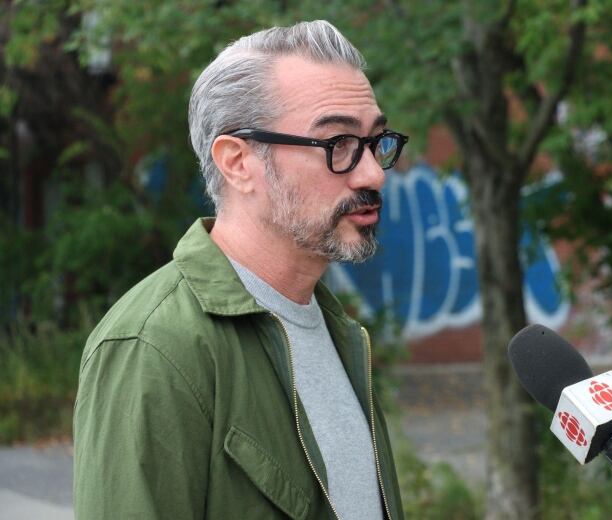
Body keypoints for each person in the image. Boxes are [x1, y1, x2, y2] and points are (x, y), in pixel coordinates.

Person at [73, 20, 407, 520]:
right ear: (238, 163)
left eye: (376, 141)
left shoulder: (337, 330)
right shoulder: (154, 346)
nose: (372, 173)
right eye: (337, 142)